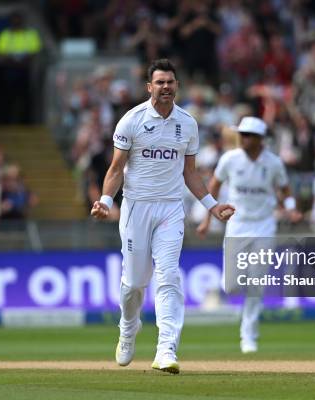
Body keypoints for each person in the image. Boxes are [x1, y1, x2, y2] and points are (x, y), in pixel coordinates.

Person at [90, 59, 234, 374]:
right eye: (160, 82)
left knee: (168, 277)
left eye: (170, 82)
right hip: (136, 207)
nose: (165, 87)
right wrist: (104, 200)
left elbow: (191, 173)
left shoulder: (188, 123)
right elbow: (116, 169)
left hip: (170, 208)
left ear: (177, 86)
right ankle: (128, 328)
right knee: (134, 284)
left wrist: (212, 205)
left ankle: (166, 348)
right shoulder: (132, 120)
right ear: (149, 86)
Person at [196, 116, 300, 353]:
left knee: (256, 284)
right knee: (231, 286)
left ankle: (248, 336)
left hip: (264, 226)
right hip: (237, 225)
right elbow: (212, 187)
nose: (242, 139)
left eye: (247, 135)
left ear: (260, 139)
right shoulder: (230, 159)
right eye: (241, 134)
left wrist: (292, 208)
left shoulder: (273, 163)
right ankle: (221, 291)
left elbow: (285, 190)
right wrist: (206, 220)